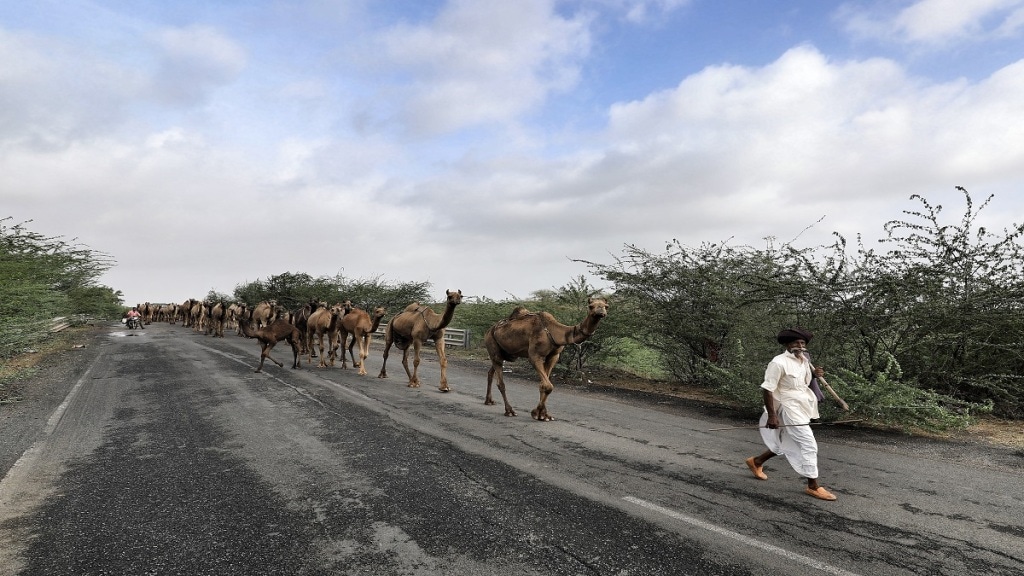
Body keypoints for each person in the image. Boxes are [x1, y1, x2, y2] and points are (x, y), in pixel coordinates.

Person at [744, 328, 836, 501]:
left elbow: (804, 383)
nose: (800, 346)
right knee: (809, 444)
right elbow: (767, 389)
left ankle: (756, 462)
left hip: (803, 406)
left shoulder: (805, 361)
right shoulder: (778, 363)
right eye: (796, 343)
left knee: (784, 441)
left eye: (802, 343)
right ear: (787, 344)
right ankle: (813, 486)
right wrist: (772, 415)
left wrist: (815, 376)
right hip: (787, 407)